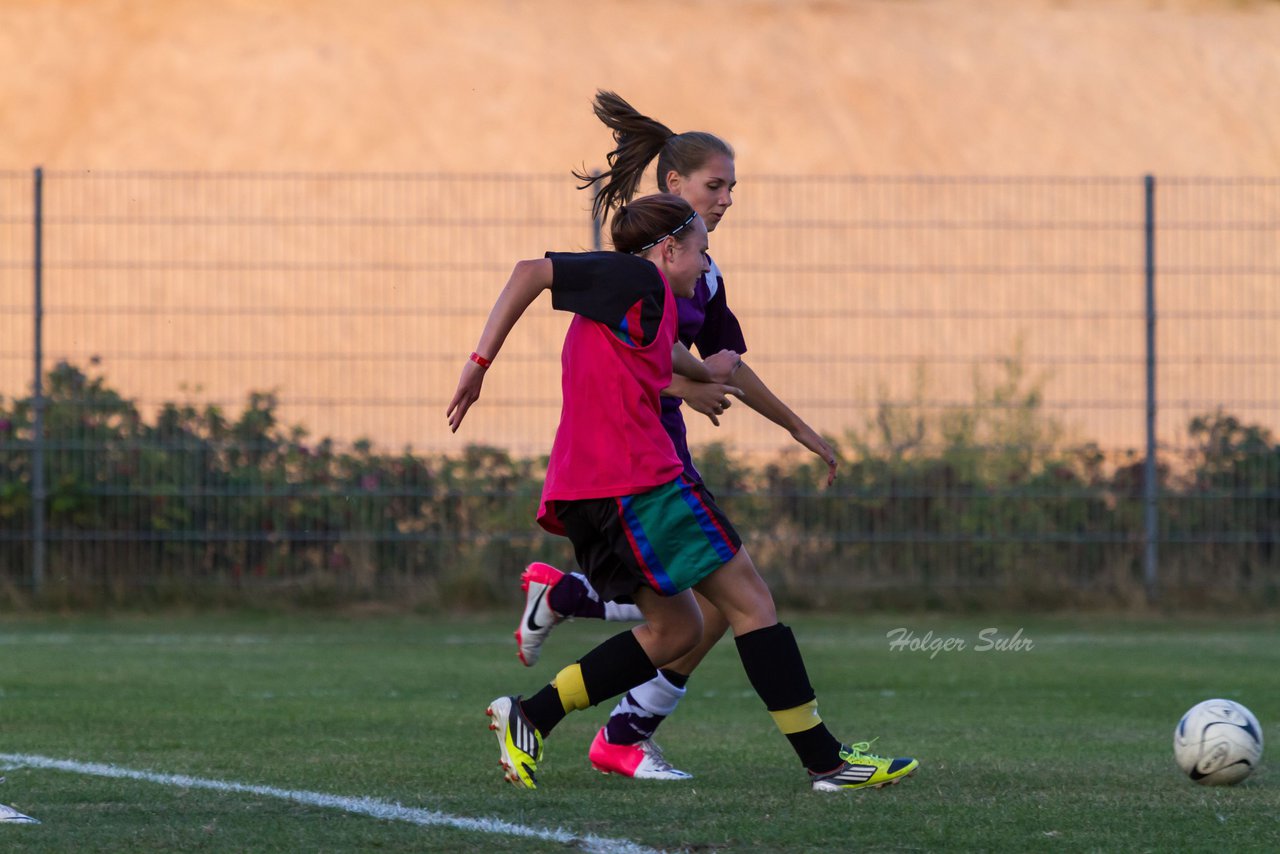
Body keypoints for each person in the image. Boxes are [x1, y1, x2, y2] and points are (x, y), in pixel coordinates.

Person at [448, 192, 918, 792]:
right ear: (668, 249)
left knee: (676, 631)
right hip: (637, 480)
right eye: (701, 251)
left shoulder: (642, 302)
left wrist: (704, 375)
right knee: (750, 602)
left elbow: (654, 358)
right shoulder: (634, 274)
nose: (705, 264)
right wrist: (478, 362)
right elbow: (530, 272)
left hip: (591, 487)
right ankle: (827, 762)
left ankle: (530, 716)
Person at [514, 90, 840, 781]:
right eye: (714, 185)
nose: (726, 198)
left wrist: (800, 428)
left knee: (710, 614)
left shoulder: (701, 270)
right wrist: (688, 387)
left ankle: (584, 687)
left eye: (731, 187)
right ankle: (817, 761)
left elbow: (721, 365)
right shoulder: (636, 273)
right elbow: (633, 365)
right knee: (735, 602)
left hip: (661, 457)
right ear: (674, 187)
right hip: (633, 464)